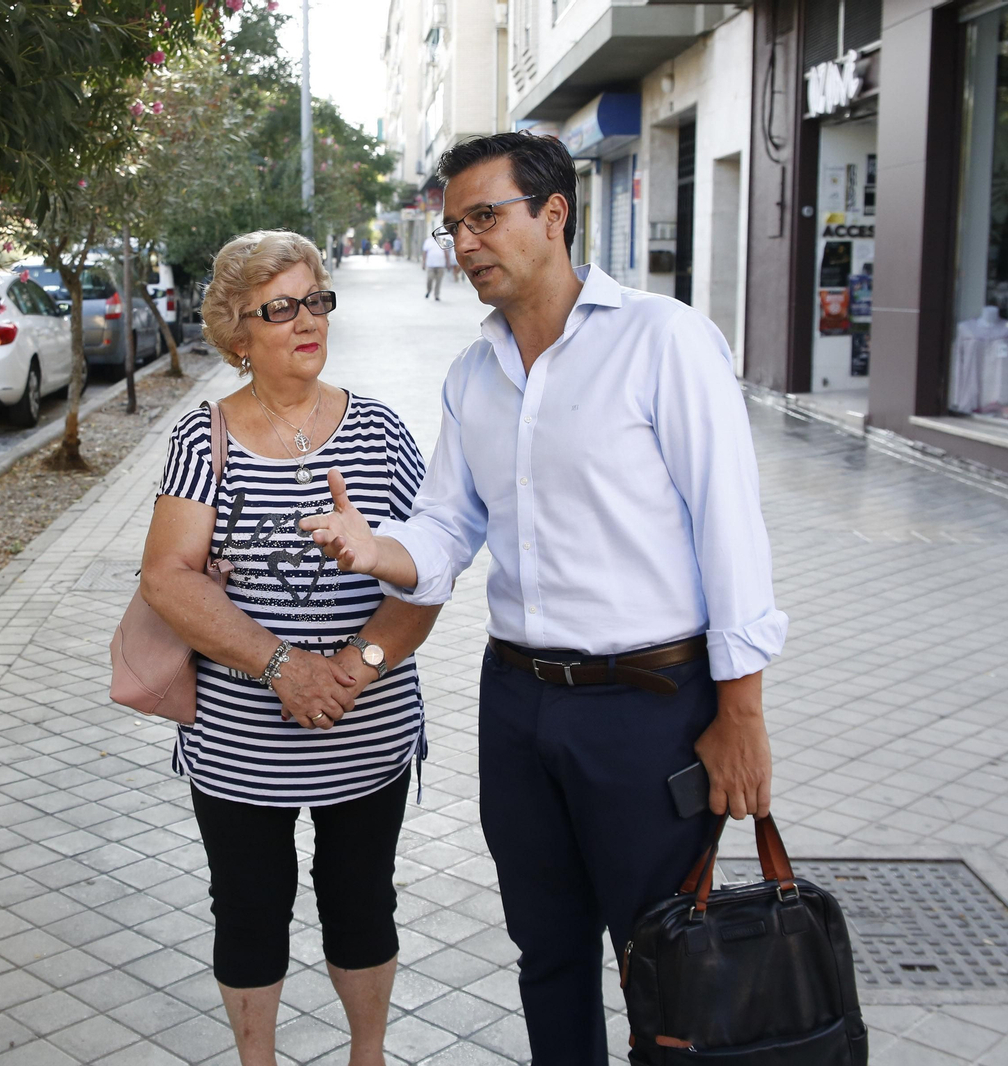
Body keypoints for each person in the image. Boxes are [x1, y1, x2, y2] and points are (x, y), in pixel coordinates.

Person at [301, 132, 786, 1064]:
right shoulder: (473, 374)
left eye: (485, 216)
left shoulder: (663, 340)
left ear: (555, 214)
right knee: (547, 953)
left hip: (649, 709)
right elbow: (448, 525)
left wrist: (742, 711)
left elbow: (731, 529)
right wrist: (378, 550)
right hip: (518, 705)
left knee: (664, 960)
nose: (465, 242)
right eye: (453, 226)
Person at [140, 230, 441, 1066]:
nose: (307, 320)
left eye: (316, 300)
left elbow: (430, 571)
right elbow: (167, 577)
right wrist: (284, 666)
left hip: (365, 727)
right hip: (241, 744)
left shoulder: (380, 432)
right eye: (280, 309)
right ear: (238, 334)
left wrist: (356, 667)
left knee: (362, 904)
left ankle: (368, 1055)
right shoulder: (203, 440)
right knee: (247, 910)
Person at [422, 230, 453, 299]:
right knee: (430, 278)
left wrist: (448, 263)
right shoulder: (428, 241)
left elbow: (446, 253)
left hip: (441, 265)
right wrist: (423, 263)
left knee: (438, 281)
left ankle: (436, 295)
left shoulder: (442, 241)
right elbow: (425, 253)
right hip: (431, 265)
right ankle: (429, 290)